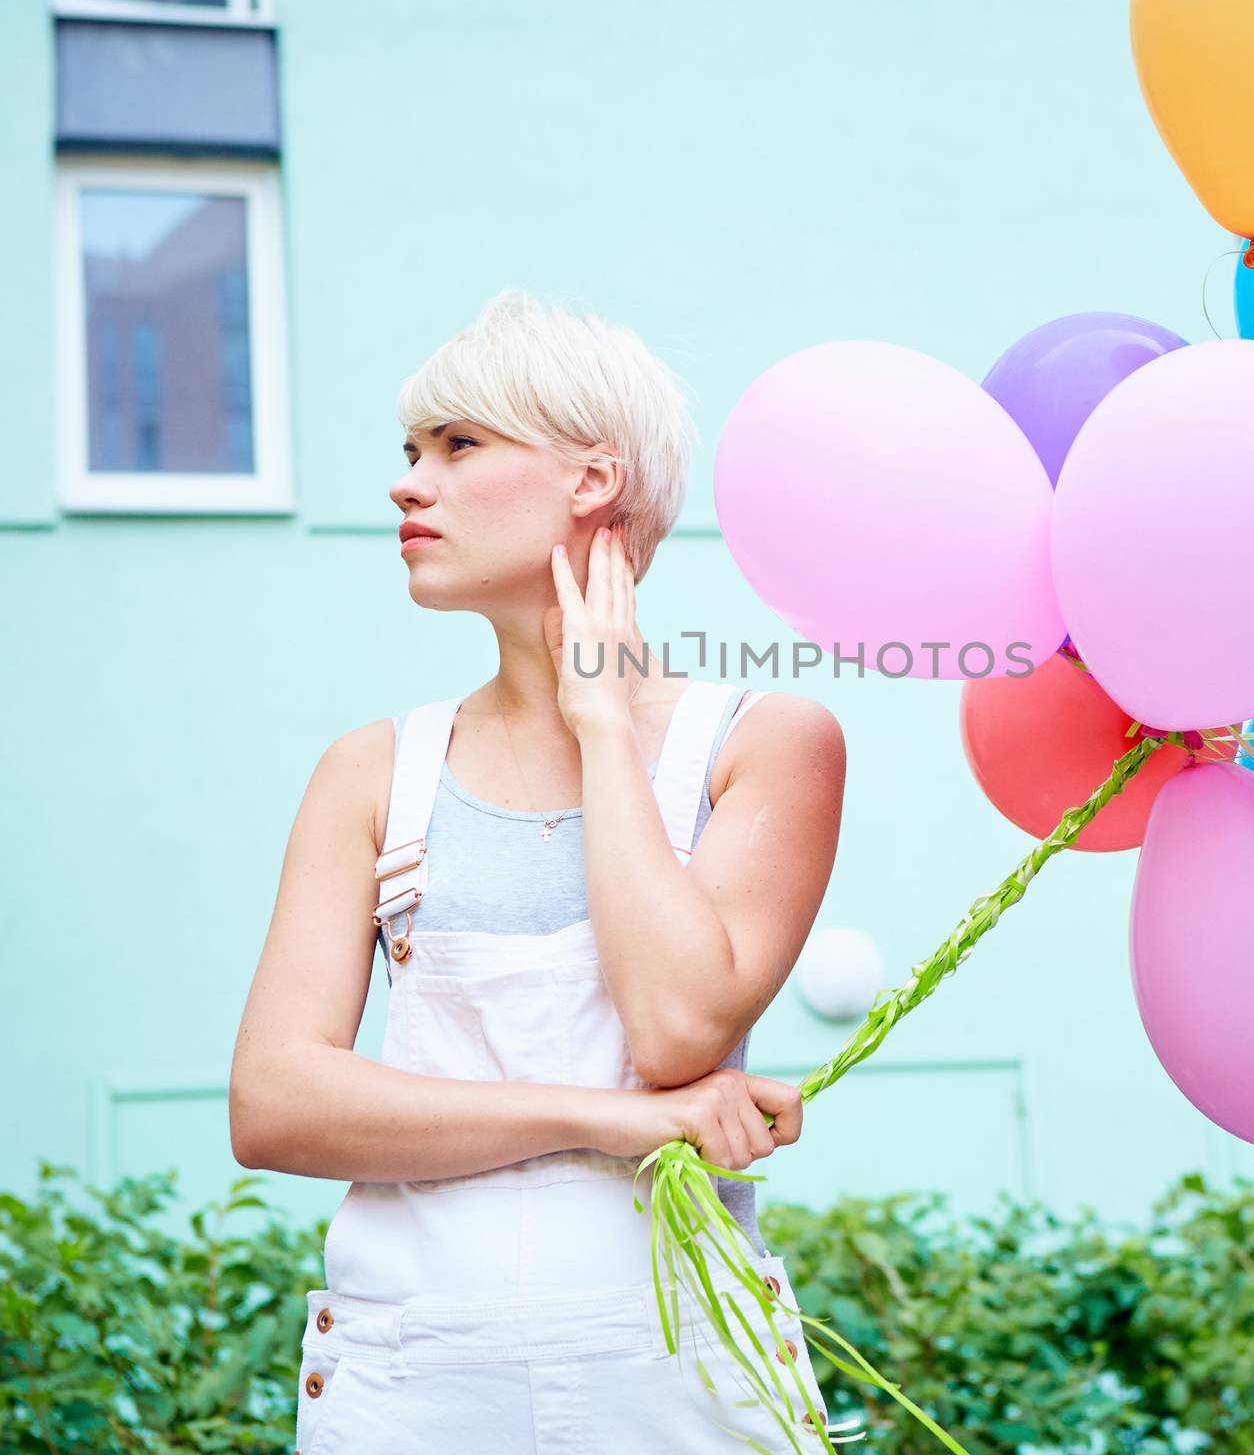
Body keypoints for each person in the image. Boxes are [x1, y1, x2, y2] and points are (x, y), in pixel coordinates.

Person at [228, 290, 849, 1452]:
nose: (409, 484)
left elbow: (676, 1027)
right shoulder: (369, 771)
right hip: (409, 1381)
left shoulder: (766, 740)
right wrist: (607, 1121)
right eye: (411, 452)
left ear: (592, 479)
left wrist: (603, 720)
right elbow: (273, 1105)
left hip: (678, 1389)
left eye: (460, 446)